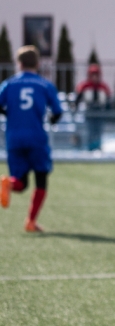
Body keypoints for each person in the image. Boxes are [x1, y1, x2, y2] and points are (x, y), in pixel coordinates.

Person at [0, 46, 63, 232]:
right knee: (40, 179)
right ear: (38, 63)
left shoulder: (9, 84)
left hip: (14, 137)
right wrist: (52, 120)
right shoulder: (44, 85)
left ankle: (7, 183)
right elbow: (58, 111)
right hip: (36, 137)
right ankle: (31, 221)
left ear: (19, 64)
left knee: (20, 182)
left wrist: (8, 114)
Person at [74, 63, 113, 152]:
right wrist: (75, 107)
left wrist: (108, 112)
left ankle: (98, 147)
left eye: (96, 75)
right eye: (93, 75)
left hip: (100, 112)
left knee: (98, 131)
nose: (95, 77)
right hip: (89, 112)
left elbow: (108, 101)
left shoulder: (103, 87)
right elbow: (78, 99)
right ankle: (90, 148)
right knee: (90, 131)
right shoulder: (85, 86)